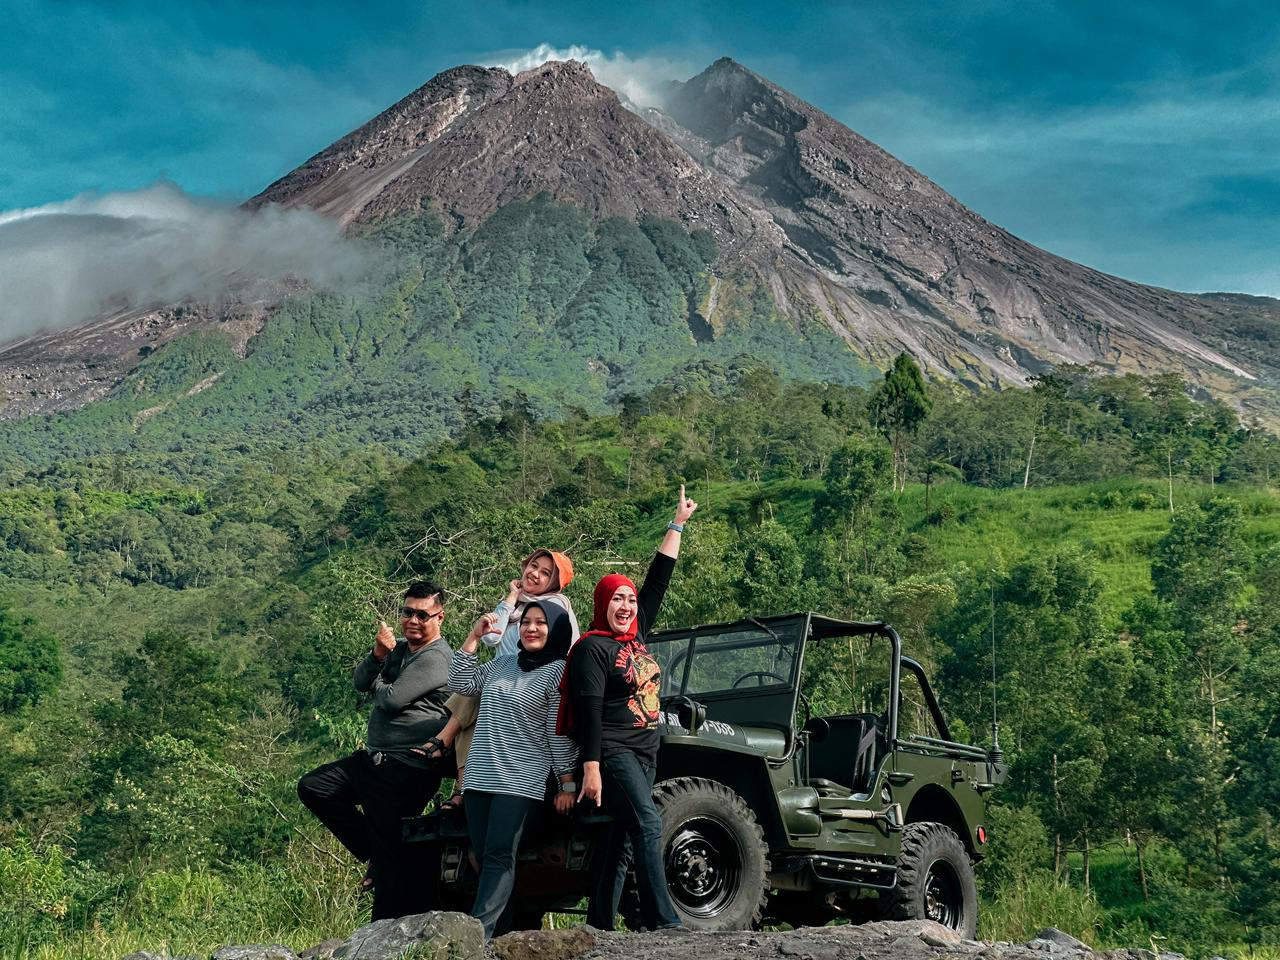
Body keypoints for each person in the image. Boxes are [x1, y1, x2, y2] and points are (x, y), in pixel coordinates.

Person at [563, 485, 698, 931]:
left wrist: (677, 524)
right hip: (615, 750)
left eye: (630, 599)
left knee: (619, 840)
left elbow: (658, 580)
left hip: (646, 752)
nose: (626, 605)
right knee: (647, 823)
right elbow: (589, 712)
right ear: (603, 604)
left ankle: (599, 925)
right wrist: (592, 767)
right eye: (617, 598)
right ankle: (665, 919)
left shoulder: (636, 639)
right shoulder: (592, 649)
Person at [297, 580, 454, 921]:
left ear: (439, 617)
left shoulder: (438, 658)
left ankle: (384, 933)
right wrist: (377, 656)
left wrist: (377, 684)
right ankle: (377, 855)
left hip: (408, 766)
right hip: (376, 760)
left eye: (422, 615)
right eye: (407, 612)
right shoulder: (398, 650)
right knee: (315, 787)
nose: (413, 620)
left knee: (390, 858)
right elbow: (359, 681)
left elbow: (391, 698)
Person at [446, 602, 578, 938]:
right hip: (480, 777)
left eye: (541, 623)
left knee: (500, 855)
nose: (531, 629)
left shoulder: (559, 672)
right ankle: (503, 937)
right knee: (481, 855)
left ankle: (477, 935)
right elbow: (460, 682)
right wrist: (474, 637)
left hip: (521, 781)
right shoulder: (502, 663)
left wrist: (566, 782)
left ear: (557, 629)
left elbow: (557, 730)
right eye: (527, 622)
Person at [423, 549, 578, 812]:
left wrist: (568, 784)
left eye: (546, 573)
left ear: (554, 583)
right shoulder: (517, 606)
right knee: (477, 706)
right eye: (533, 566)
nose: (535, 574)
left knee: (475, 697)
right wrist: (511, 597)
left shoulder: (556, 606)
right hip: (501, 676)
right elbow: (491, 637)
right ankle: (464, 786)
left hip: (531, 683)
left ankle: (444, 742)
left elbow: (556, 733)